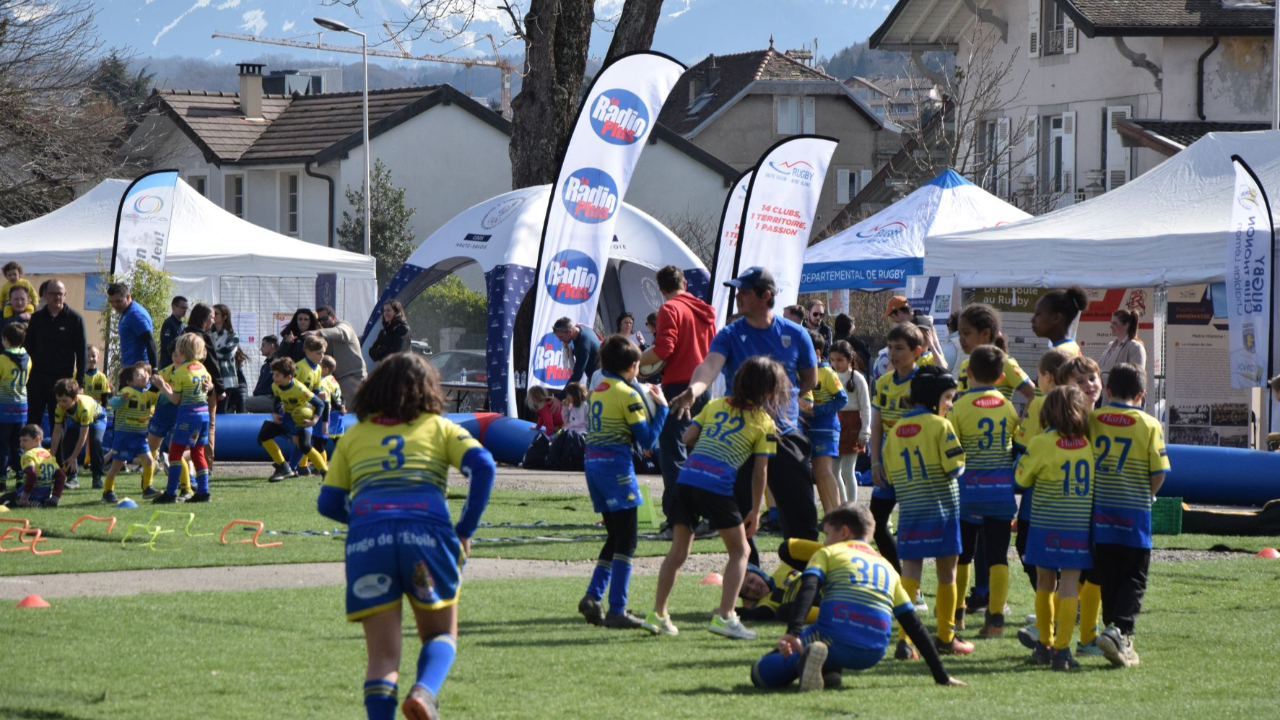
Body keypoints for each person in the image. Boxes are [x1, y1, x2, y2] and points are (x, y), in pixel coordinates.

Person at [316, 352, 496, 720]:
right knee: (440, 634)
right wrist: (465, 530)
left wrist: (367, 520)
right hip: (426, 536)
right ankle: (424, 692)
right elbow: (484, 466)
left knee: (382, 657)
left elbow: (329, 502)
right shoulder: (439, 428)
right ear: (427, 389)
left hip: (369, 542)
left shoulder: (355, 435)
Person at [670, 266, 818, 556]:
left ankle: (804, 579)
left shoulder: (797, 334)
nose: (738, 296)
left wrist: (784, 397)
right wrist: (694, 390)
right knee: (737, 516)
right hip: (740, 438)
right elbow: (710, 365)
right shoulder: (730, 334)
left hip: (784, 434)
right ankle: (750, 583)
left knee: (801, 517)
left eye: (745, 291)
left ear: (765, 296)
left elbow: (809, 379)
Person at [749, 504, 966, 691]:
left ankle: (811, 661)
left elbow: (809, 588)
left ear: (843, 532)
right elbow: (913, 624)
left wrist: (793, 632)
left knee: (760, 672)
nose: (824, 542)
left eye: (827, 535)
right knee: (824, 645)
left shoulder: (828, 553)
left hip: (832, 636)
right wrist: (942, 675)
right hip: (873, 650)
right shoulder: (887, 567)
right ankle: (827, 670)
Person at [642, 355, 782, 640]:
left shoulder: (716, 405)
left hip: (685, 481)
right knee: (741, 552)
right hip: (715, 486)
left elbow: (687, 438)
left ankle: (657, 614)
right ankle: (726, 616)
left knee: (678, 552)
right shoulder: (765, 423)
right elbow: (760, 472)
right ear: (769, 391)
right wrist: (756, 510)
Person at [578, 335, 668, 629]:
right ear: (632, 366)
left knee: (615, 537)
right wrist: (663, 409)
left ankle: (593, 596)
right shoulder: (628, 395)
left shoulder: (598, 390)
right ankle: (617, 609)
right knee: (628, 540)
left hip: (593, 467)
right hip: (615, 469)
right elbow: (647, 442)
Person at [883, 365, 972, 658]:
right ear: (935, 397)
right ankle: (946, 637)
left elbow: (892, 477)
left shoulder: (895, 431)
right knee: (947, 572)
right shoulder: (941, 426)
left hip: (909, 512)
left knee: (910, 574)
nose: (950, 404)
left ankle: (904, 641)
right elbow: (955, 467)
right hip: (942, 511)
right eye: (948, 398)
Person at [1089, 362, 1168, 668]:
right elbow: (1159, 470)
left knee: (1108, 576)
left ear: (1107, 391)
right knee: (1134, 576)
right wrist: (1148, 493)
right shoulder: (1149, 425)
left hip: (1100, 513)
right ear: (1142, 395)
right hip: (1134, 514)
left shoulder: (1093, 420)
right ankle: (1120, 630)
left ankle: (1114, 633)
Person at [1015, 385, 1096, 671]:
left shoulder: (1041, 442)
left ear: (1048, 412)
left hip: (1044, 524)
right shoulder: (1089, 444)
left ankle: (1044, 645)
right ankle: (1063, 651)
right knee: (1070, 585)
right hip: (1077, 525)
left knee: (1045, 584)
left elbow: (1021, 481)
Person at [947, 345, 1019, 638]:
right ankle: (996, 621)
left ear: (970, 373)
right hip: (1001, 493)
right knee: (999, 556)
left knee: (963, 555)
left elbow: (951, 450)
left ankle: (959, 614)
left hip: (968, 492)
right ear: (1002, 376)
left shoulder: (959, 406)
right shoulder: (1008, 406)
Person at [640, 265, 716, 539]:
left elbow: (664, 349)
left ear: (661, 289)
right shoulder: (704, 309)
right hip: (703, 386)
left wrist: (636, 361)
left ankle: (679, 521)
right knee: (701, 454)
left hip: (679, 388)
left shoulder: (669, 309)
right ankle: (711, 516)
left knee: (674, 454)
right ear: (684, 282)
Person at [1011, 349, 1075, 612]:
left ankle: (1048, 602)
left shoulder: (1040, 404)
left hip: (1038, 496)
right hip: (1070, 497)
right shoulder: (1075, 402)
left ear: (1047, 376)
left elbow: (1022, 446)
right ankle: (1058, 601)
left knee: (1027, 547)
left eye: (1038, 376)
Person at [868, 322, 925, 576]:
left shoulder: (925, 383)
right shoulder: (883, 383)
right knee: (875, 524)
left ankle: (914, 588)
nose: (893, 353)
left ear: (917, 351)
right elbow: (877, 425)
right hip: (887, 465)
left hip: (916, 465)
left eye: (900, 348)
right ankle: (897, 576)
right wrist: (875, 462)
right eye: (890, 347)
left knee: (910, 528)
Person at [151, 334, 214, 504]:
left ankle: (170, 492)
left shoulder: (180, 372)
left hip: (188, 415)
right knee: (198, 452)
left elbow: (175, 399)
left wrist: (162, 386)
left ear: (182, 350)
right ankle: (203, 491)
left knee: (175, 453)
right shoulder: (201, 368)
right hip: (203, 416)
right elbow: (209, 385)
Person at [24, 280, 87, 428]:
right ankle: (32, 451)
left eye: (60, 294)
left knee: (58, 422)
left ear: (65, 295)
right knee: (33, 419)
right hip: (37, 377)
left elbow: (81, 351)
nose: (57, 297)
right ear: (45, 295)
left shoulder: (75, 319)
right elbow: (29, 347)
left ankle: (57, 452)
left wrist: (80, 382)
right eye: (53, 294)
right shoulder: (37, 318)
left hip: (62, 379)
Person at [259, 357, 328, 483]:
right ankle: (283, 467)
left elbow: (320, 404)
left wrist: (314, 421)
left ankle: (326, 473)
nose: (274, 377)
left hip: (302, 420)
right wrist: (275, 413)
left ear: (289, 377)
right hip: (287, 418)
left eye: (278, 375)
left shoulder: (300, 389)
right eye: (274, 374)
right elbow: (278, 399)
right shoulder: (275, 385)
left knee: (305, 446)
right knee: (263, 436)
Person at [801, 331, 847, 512]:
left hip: (827, 427)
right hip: (811, 426)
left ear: (818, 353)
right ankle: (830, 514)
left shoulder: (827, 372)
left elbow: (841, 399)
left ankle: (837, 513)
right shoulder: (804, 371)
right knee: (817, 473)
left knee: (824, 471)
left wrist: (817, 410)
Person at [101, 363, 159, 505]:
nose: (144, 376)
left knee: (149, 461)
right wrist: (121, 400)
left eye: (145, 374)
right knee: (116, 466)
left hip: (140, 437)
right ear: (129, 381)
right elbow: (112, 404)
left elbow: (158, 397)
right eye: (139, 375)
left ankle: (147, 488)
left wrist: (160, 385)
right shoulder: (127, 391)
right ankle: (107, 491)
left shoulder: (147, 394)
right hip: (124, 436)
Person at [955, 304, 1035, 402]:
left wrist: (1023, 417)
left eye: (966, 333)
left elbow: (1033, 394)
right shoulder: (964, 365)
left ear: (985, 333)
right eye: (959, 333)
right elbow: (960, 402)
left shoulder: (1005, 363)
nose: (961, 339)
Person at [827, 340, 869, 505]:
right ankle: (842, 505)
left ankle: (851, 506)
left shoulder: (857, 378)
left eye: (839, 360)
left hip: (852, 424)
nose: (835, 364)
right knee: (834, 471)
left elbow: (866, 407)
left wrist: (865, 430)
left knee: (847, 470)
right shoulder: (830, 376)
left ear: (849, 359)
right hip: (834, 423)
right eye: (832, 360)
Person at [184, 304, 224, 465]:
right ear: (203, 318)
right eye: (211, 318)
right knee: (209, 425)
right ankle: (206, 463)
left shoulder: (184, 333)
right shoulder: (205, 336)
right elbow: (213, 363)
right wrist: (220, 388)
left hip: (186, 384)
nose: (213, 322)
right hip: (205, 384)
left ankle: (185, 460)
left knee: (186, 423)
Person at [49, 377, 105, 491]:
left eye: (65, 401)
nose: (61, 404)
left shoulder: (84, 407)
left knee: (96, 441)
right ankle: (72, 478)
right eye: (58, 400)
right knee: (67, 441)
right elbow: (57, 432)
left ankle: (97, 477)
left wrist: (74, 457)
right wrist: (51, 456)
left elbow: (83, 437)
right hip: (78, 420)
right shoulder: (59, 407)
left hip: (97, 419)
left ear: (74, 398)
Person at [0, 425, 65, 508]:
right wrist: (55, 498)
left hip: (31, 494)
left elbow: (32, 475)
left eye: (25, 440)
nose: (21, 444)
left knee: (5, 500)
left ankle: (31, 503)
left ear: (37, 440)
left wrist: (25, 495)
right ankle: (42, 503)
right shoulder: (48, 455)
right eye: (20, 440)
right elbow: (61, 476)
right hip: (45, 495)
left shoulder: (28, 455)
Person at [316, 305, 368, 403]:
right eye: (320, 320)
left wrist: (318, 332)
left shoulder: (344, 325)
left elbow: (342, 332)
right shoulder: (327, 334)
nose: (322, 322)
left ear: (333, 317)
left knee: (351, 412)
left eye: (324, 318)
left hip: (352, 378)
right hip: (336, 380)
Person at [0, 323, 31, 491]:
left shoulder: (3, 359)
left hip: (4, 407)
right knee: (19, 444)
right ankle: (20, 477)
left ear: (5, 339)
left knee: (3, 445)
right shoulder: (28, 359)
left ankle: (2, 478)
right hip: (22, 407)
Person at [106, 282, 158, 368]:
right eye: (111, 302)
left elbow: (150, 341)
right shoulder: (126, 312)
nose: (114, 305)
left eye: (118, 301)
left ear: (128, 297)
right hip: (131, 368)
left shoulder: (135, 314)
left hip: (139, 371)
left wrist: (154, 370)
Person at [1031, 286, 1089, 356]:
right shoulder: (1072, 346)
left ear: (1056, 318)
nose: (1032, 320)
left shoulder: (1058, 355)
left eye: (1038, 314)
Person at [1098, 310, 1147, 388]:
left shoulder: (1135, 347)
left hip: (1122, 398)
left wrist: (1103, 379)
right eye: (1111, 323)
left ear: (1127, 325)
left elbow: (1137, 378)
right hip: (1104, 397)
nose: (1111, 327)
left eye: (1114, 323)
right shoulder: (1110, 345)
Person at [552, 316, 601, 390]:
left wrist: (560, 398)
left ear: (570, 332)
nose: (560, 340)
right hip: (597, 375)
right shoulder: (580, 328)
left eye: (561, 337)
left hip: (599, 378)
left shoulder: (583, 345)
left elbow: (577, 375)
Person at [212, 304, 242, 414]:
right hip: (211, 377)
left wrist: (211, 353)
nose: (213, 316)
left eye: (216, 314)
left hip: (226, 378)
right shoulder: (209, 334)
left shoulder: (232, 335)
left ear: (224, 317)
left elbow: (228, 353)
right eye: (212, 314)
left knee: (221, 410)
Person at [832, 313, 870, 381]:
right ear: (849, 327)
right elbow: (866, 360)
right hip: (856, 376)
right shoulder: (857, 343)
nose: (854, 327)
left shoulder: (834, 342)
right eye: (853, 324)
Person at [320, 356, 346, 452]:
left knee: (322, 439)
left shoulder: (325, 381)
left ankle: (318, 462)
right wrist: (343, 406)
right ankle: (345, 460)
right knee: (338, 440)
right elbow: (341, 396)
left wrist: (339, 407)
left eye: (319, 366)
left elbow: (331, 397)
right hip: (340, 415)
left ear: (325, 369)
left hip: (333, 413)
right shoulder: (333, 379)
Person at [158, 296, 189, 370]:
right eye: (182, 307)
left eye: (186, 308)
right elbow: (167, 345)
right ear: (174, 307)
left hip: (178, 363)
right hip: (168, 364)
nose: (184, 310)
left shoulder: (181, 324)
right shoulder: (169, 323)